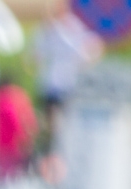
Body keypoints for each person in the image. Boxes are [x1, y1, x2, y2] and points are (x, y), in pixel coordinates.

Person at [32, 0, 103, 149]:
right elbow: (37, 53)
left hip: (69, 84)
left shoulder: (76, 27)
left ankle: (61, 151)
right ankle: (48, 150)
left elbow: (88, 51)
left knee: (66, 124)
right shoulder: (48, 29)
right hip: (50, 84)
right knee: (48, 123)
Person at [0, 75, 38, 181]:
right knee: (14, 181)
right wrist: (26, 141)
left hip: (1, 149)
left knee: (3, 181)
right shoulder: (19, 96)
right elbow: (28, 123)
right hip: (12, 149)